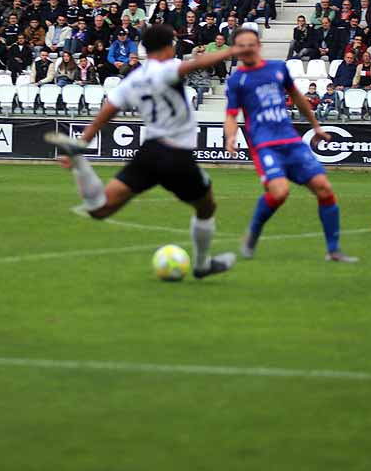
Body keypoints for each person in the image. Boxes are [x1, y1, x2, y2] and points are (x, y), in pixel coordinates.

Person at [45, 24, 237, 279]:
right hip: (177, 156)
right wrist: (233, 50)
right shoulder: (166, 67)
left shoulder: (135, 78)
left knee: (99, 208)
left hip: (149, 153)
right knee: (207, 206)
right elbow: (193, 65)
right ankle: (202, 264)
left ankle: (80, 160)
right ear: (169, 46)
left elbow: (108, 111)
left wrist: (83, 141)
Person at [223, 27, 354, 263]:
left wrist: (316, 126)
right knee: (280, 192)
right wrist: (230, 137)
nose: (246, 49)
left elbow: (298, 98)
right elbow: (231, 115)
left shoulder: (277, 68)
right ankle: (253, 232)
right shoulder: (237, 80)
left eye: (250, 44)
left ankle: (333, 250)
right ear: (236, 50)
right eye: (240, 45)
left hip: (291, 141)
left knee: (324, 188)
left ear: (258, 46)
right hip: (265, 146)